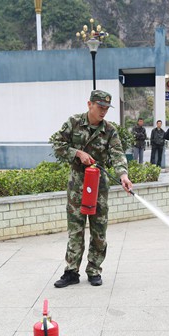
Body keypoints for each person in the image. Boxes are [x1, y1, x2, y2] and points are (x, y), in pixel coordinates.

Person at [51, 90, 133, 288]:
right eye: (100, 107)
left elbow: (117, 154)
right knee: (75, 230)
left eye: (106, 108)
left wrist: (123, 175)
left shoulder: (110, 130)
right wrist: (77, 153)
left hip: (99, 186)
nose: (103, 111)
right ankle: (71, 272)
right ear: (90, 104)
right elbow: (56, 144)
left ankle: (94, 270)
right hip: (77, 186)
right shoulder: (74, 122)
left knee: (99, 230)